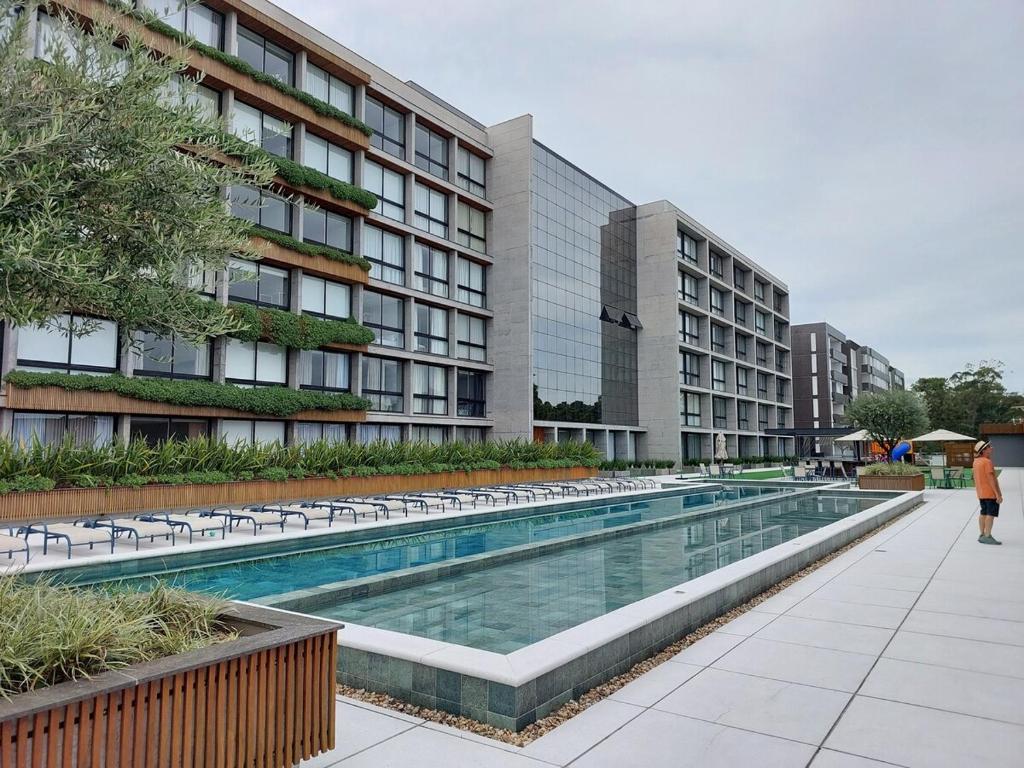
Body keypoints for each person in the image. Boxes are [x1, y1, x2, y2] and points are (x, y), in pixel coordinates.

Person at [973, 440, 1003, 545]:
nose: (992, 448)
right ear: (984, 450)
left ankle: (982, 534)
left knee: (983, 513)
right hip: (990, 494)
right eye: (989, 447)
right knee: (990, 514)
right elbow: (991, 479)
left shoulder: (976, 462)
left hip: (981, 493)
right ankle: (987, 536)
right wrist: (998, 494)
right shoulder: (987, 462)